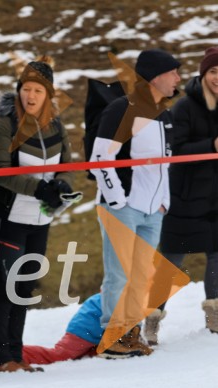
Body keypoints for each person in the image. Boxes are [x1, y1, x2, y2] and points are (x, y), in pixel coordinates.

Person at [0, 58, 74, 374]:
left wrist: (62, 186)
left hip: (41, 219)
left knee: (25, 286)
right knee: (5, 287)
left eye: (37, 90)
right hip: (10, 218)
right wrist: (38, 188)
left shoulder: (56, 124)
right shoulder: (6, 123)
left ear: (48, 94)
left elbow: (68, 164)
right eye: (26, 89)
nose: (30, 96)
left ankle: (16, 354)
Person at [90, 49, 181, 358]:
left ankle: (131, 332)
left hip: (153, 209)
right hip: (123, 207)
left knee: (142, 275)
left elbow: (164, 164)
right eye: (173, 72)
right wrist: (118, 199)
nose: (178, 78)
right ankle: (112, 335)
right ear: (156, 76)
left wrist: (163, 202)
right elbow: (101, 157)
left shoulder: (164, 114)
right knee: (119, 273)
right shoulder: (123, 108)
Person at [145, 47, 218, 343]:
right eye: (213, 71)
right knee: (170, 261)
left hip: (216, 198)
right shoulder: (185, 107)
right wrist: (211, 146)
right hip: (185, 198)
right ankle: (151, 318)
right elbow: (175, 151)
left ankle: (214, 315)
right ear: (203, 75)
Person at [22, 294, 103, 365]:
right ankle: (16, 353)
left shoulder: (111, 290)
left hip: (93, 328)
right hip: (86, 330)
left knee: (86, 355)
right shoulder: (111, 292)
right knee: (59, 356)